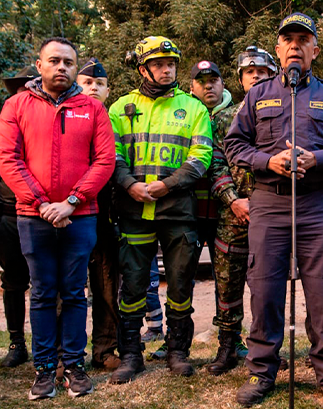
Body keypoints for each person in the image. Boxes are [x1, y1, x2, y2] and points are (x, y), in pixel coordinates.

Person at [225, 12, 323, 409]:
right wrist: (268, 162)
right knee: (265, 289)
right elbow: (234, 145)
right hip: (268, 203)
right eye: (288, 40)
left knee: (321, 291)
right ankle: (261, 371)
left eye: (304, 40)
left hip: (316, 202)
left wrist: (316, 158)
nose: (295, 47)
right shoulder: (258, 94)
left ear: (314, 50)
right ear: (279, 48)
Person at [0, 38, 116, 400]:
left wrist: (72, 202)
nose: (61, 67)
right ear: (40, 65)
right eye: (54, 61)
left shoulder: (92, 109)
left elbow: (104, 161)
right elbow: (7, 158)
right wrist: (43, 202)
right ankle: (45, 367)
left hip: (80, 217)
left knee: (76, 292)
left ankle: (75, 365)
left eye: (68, 62)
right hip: (34, 217)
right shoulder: (16, 105)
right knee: (44, 292)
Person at [107, 36, 212, 383]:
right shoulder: (121, 107)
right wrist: (129, 184)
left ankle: (177, 351)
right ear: (143, 69)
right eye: (158, 64)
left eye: (171, 64)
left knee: (181, 285)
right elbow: (113, 155)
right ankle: (131, 355)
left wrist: (167, 185)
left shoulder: (195, 108)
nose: (166, 70)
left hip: (178, 210)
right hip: (133, 209)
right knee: (133, 285)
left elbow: (201, 158)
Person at [189, 60, 251, 374]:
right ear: (192, 86)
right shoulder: (187, 112)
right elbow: (216, 164)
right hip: (196, 211)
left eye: (214, 80)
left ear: (225, 83)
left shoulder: (240, 112)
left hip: (244, 213)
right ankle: (185, 343)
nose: (209, 86)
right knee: (215, 282)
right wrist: (233, 198)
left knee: (254, 282)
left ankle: (249, 343)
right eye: (202, 81)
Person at [0, 64, 38, 368]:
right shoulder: (2, 127)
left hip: (45, 216)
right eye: (21, 90)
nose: (26, 95)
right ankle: (16, 342)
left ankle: (53, 345)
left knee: (50, 284)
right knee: (13, 282)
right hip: (9, 218)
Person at [76, 58, 122, 371]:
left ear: (108, 90)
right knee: (69, 289)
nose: (93, 88)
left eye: (99, 84)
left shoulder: (115, 119)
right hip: (74, 214)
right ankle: (69, 350)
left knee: (107, 287)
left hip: (107, 217)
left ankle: (105, 349)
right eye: (87, 83)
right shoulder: (67, 116)